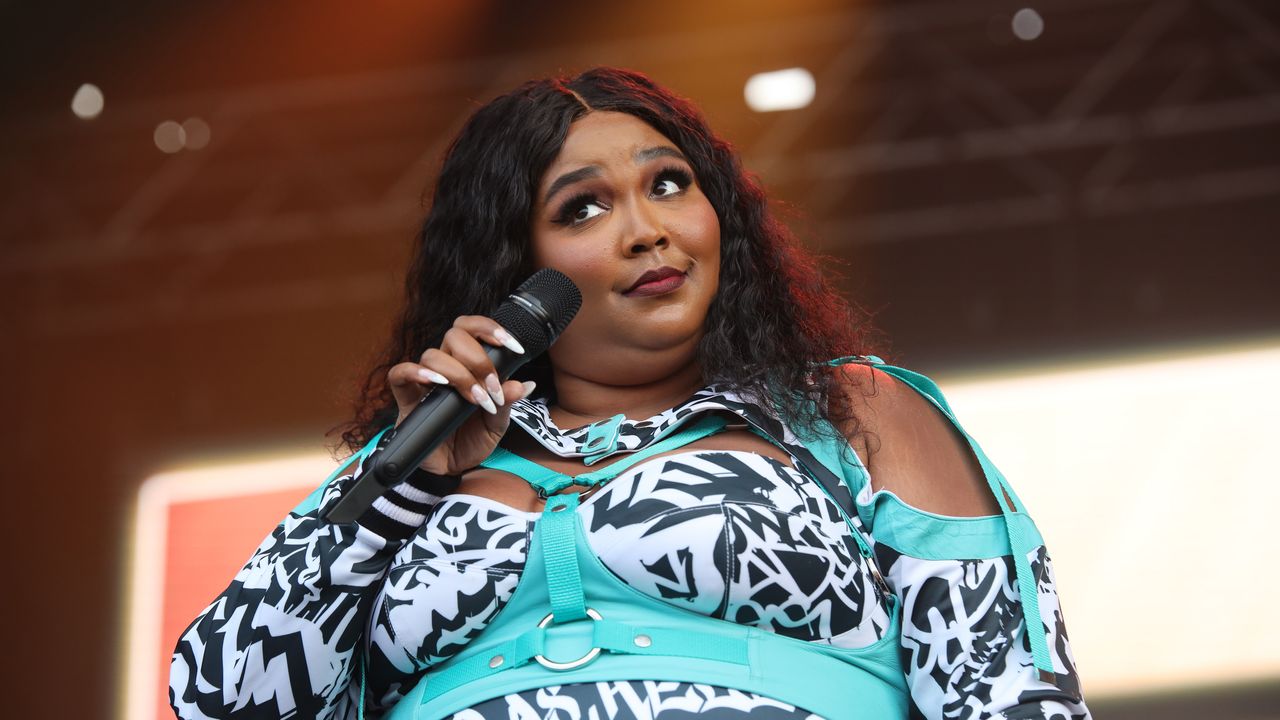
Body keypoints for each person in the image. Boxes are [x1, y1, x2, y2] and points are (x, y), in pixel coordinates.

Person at [169, 67, 1090, 719]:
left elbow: (1003, 689)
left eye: (669, 184)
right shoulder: (425, 456)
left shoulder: (849, 412)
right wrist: (401, 480)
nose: (648, 230)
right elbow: (227, 698)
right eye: (584, 207)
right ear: (515, 267)